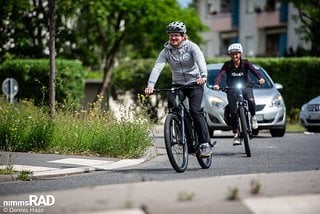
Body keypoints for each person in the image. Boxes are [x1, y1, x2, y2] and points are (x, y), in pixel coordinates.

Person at [144, 21, 211, 157]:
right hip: (178, 84)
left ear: (183, 36)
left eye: (176, 35)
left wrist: (203, 76)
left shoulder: (192, 47)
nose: (173, 38)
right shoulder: (166, 51)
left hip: (195, 83)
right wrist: (151, 85)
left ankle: (204, 143)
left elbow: (200, 61)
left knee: (194, 110)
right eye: (171, 35)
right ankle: (185, 138)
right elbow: (158, 67)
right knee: (174, 107)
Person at [213, 43, 265, 145]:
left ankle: (253, 117)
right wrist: (216, 84)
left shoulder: (245, 63)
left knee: (250, 100)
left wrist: (260, 78)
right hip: (232, 88)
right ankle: (236, 134)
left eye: (237, 54)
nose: (235, 56)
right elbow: (220, 75)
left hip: (246, 86)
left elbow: (254, 71)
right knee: (233, 111)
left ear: (240, 54)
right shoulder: (227, 65)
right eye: (232, 54)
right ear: (230, 55)